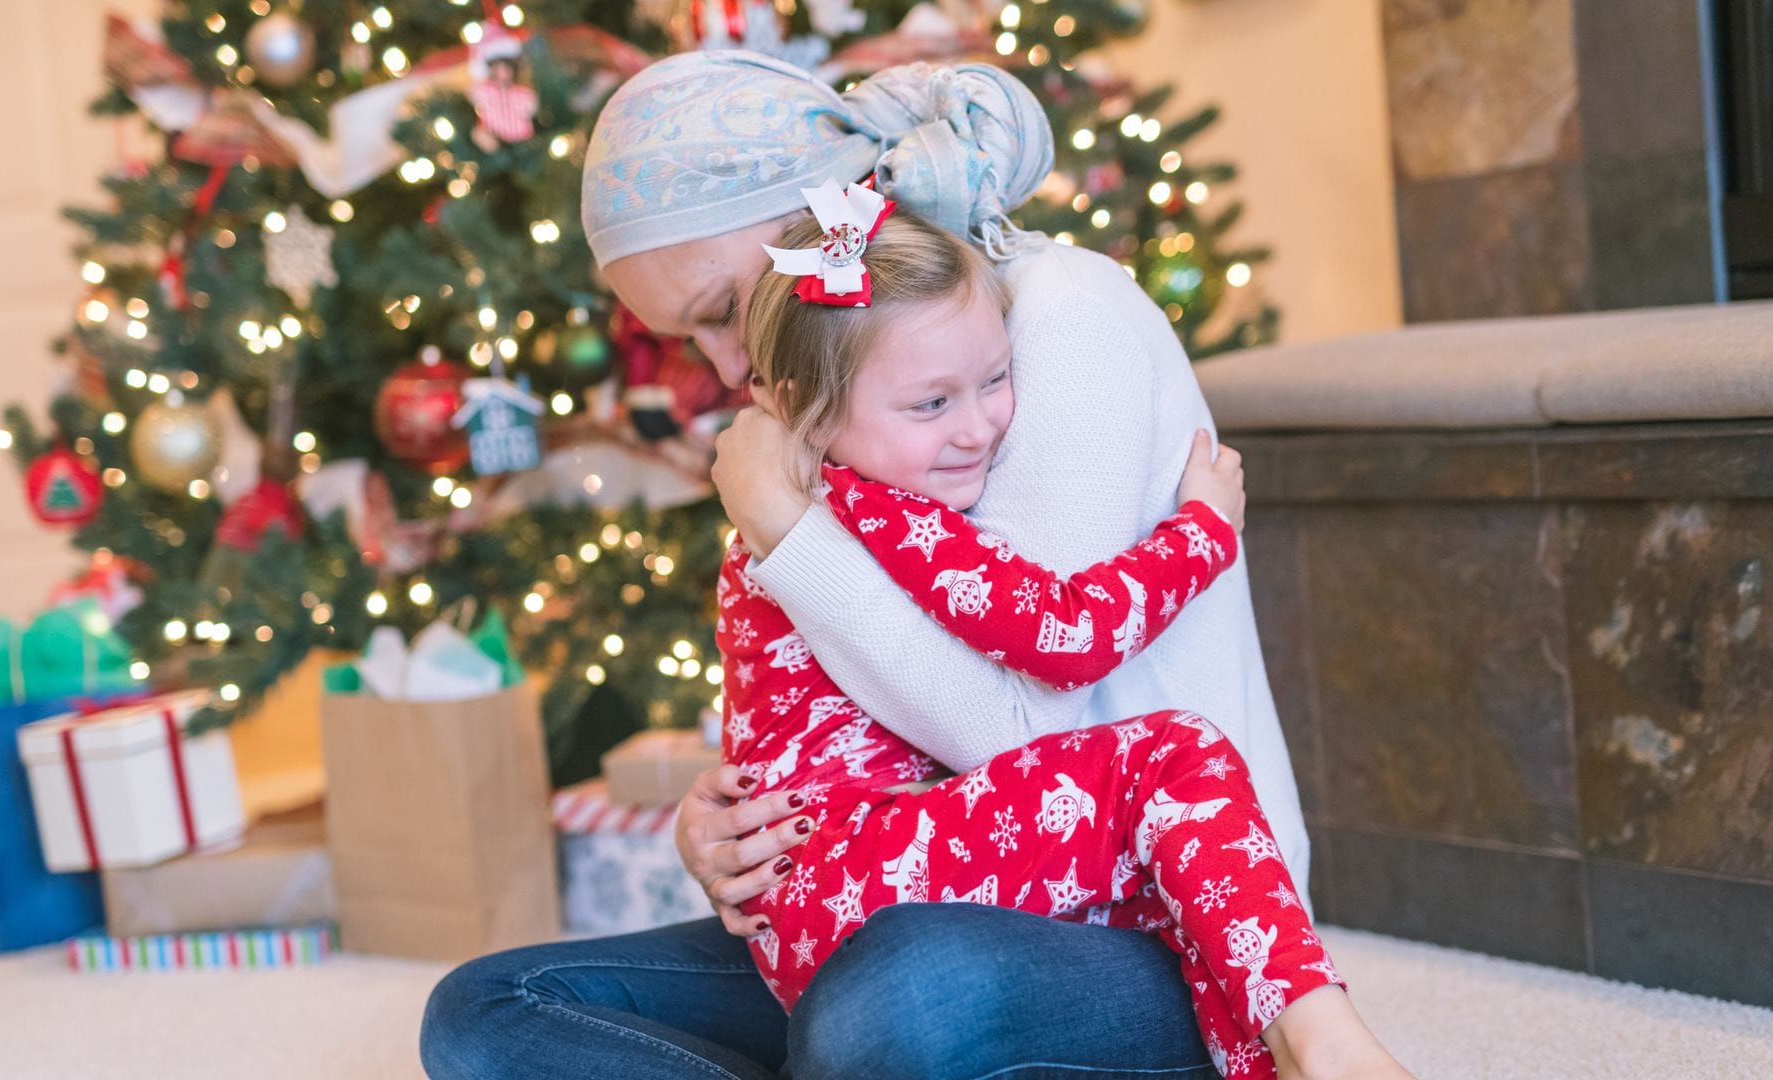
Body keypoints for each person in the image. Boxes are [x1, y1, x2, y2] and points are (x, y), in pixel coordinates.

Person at [422, 50, 1305, 1079]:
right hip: (915, 881)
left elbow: (1020, 732)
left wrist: (782, 529)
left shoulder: (1057, 317)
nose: (723, 371)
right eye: (685, 339)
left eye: (717, 309)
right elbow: (828, 692)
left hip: (1164, 910)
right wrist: (735, 826)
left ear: (829, 211)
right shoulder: (833, 400)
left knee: (895, 1000)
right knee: (488, 1011)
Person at [710, 202, 1406, 1079]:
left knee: (1176, 894)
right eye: (930, 402)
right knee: (1171, 760)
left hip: (820, 894)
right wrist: (1200, 532)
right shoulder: (873, 509)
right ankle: (1328, 1048)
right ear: (806, 416)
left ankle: (1287, 1055)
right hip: (854, 881)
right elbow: (1067, 632)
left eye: (994, 379)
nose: (979, 426)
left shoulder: (838, 499)